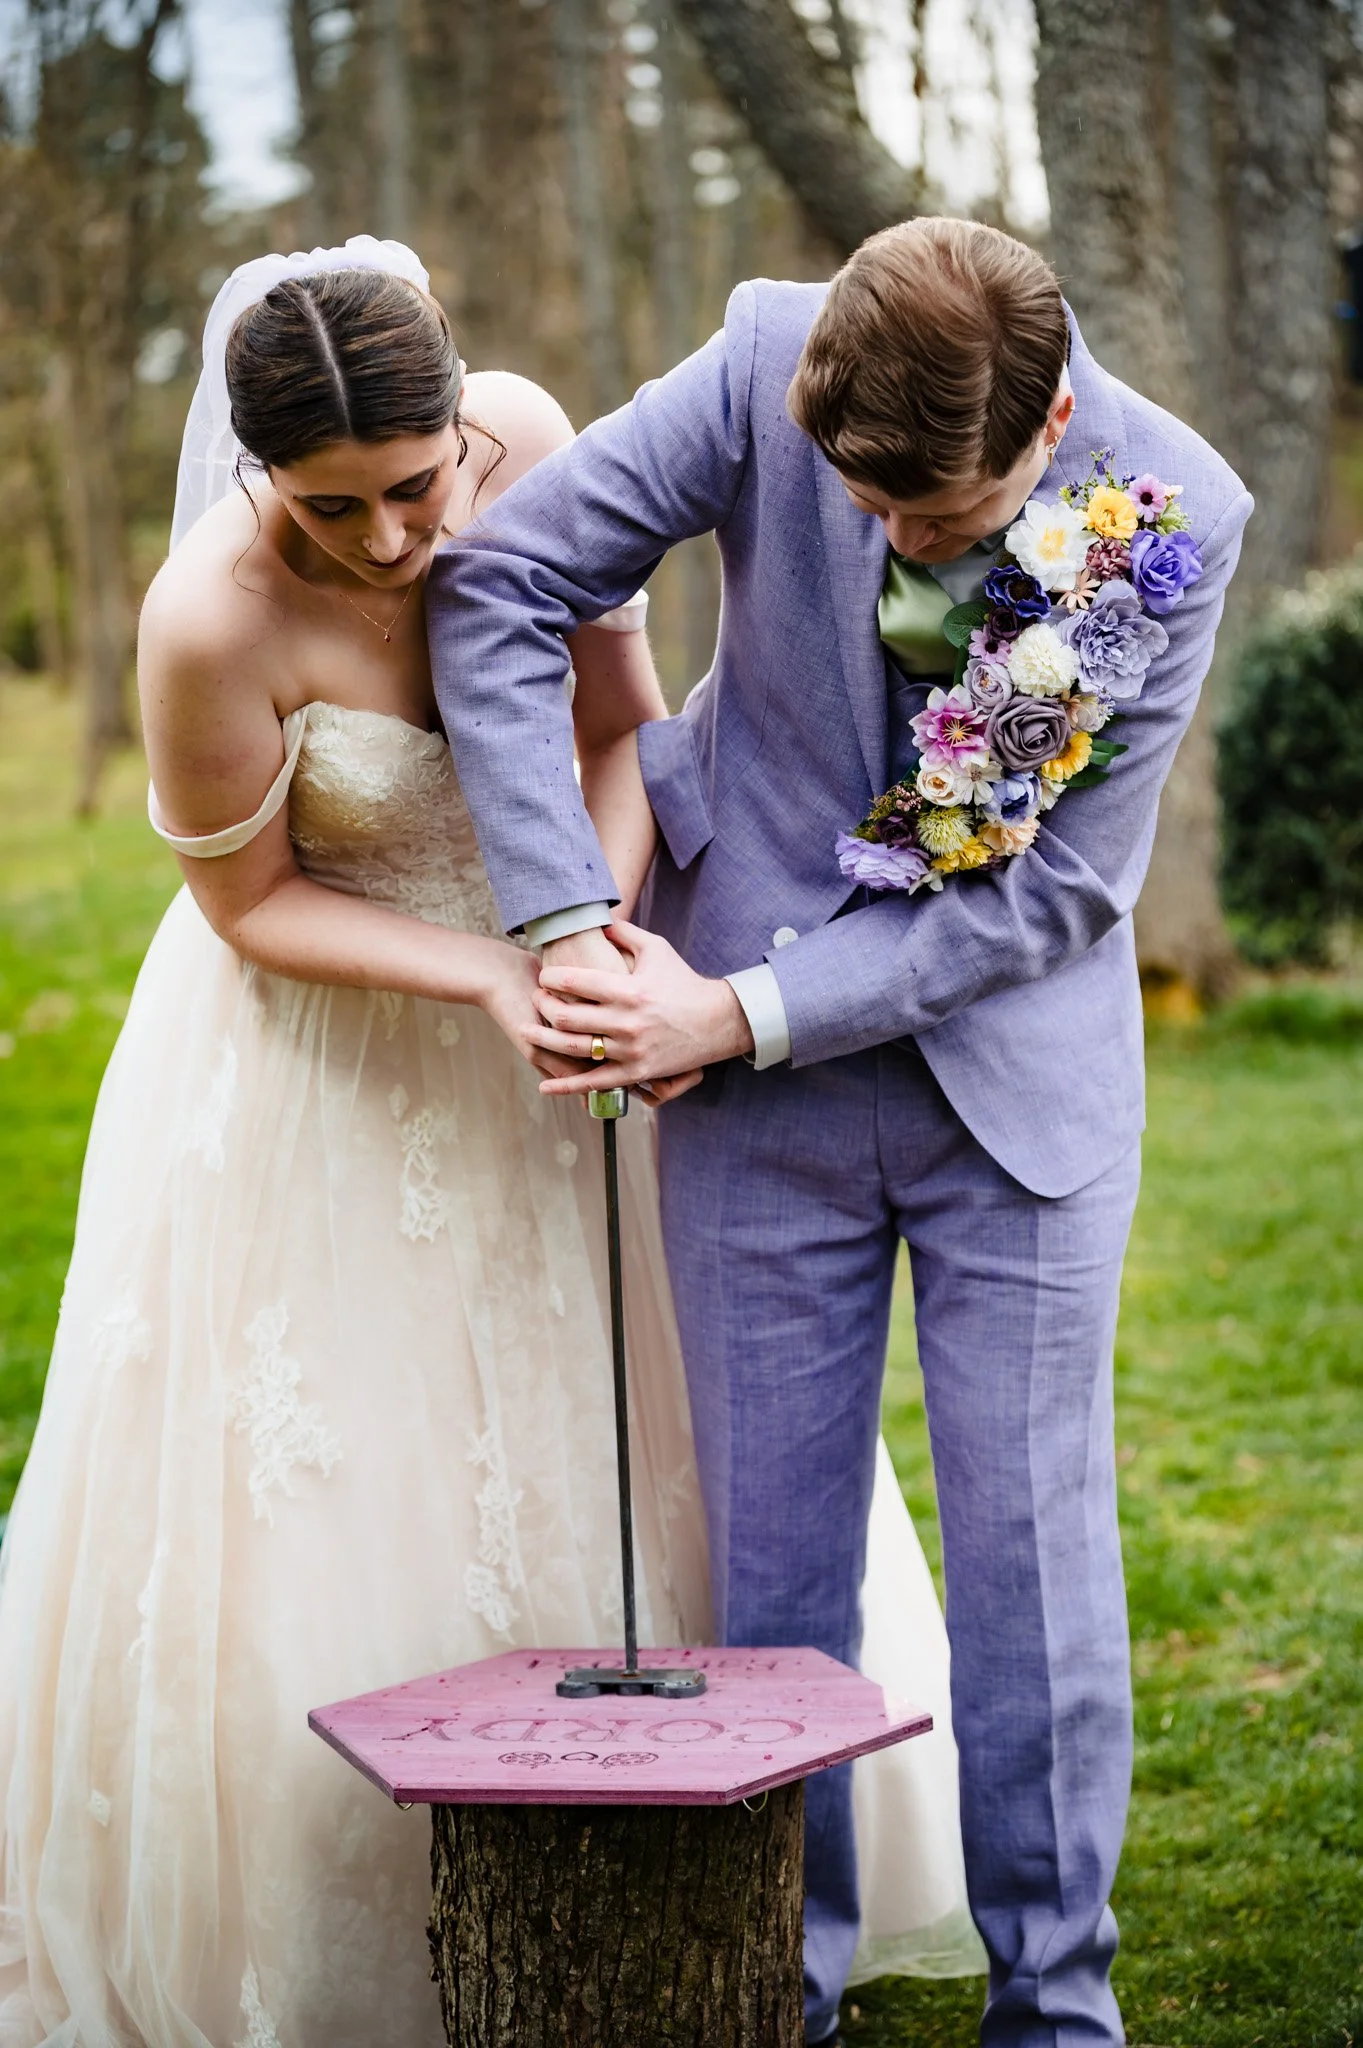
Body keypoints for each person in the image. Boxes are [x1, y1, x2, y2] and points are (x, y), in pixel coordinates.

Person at [0, 239, 981, 2048]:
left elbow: (623, 733)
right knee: (338, 1481)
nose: (390, 540)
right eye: (331, 507)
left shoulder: (530, 438)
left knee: (661, 1430)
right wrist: (488, 972)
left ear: (464, 416)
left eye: (415, 483)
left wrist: (585, 939)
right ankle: (352, 1923)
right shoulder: (207, 620)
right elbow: (252, 906)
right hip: (343, 1054)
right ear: (255, 472)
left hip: (571, 1006)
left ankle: (693, 1875)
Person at [431, 216, 1255, 2047]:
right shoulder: (754, 360)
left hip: (1006, 1100)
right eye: (858, 501)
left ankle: (1055, 2008)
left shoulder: (1175, 516)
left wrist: (734, 1010)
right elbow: (494, 587)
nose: (890, 541)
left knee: (1033, 1572)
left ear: (1048, 426)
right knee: (772, 1582)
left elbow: (1052, 896)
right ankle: (771, 1991)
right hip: (738, 1101)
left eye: (934, 515)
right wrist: (568, 921)